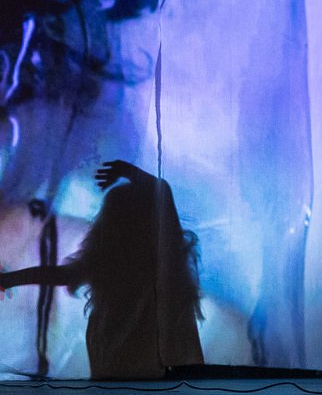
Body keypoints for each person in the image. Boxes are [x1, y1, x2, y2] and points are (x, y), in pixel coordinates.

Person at [0, 160, 203, 379]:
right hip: (142, 376)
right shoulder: (164, 264)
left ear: (109, 222)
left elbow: (60, 275)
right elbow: (162, 192)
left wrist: (9, 279)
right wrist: (128, 171)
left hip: (121, 373)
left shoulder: (141, 265)